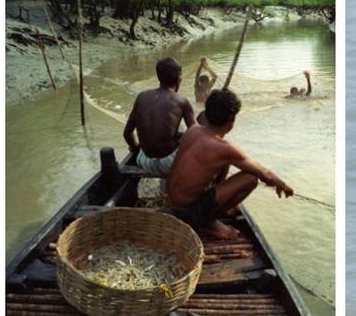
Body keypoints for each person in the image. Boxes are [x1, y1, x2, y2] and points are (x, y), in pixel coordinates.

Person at [168, 89, 294, 238]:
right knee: (250, 178)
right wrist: (283, 186)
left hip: (173, 203)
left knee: (225, 164)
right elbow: (264, 173)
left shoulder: (192, 130)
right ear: (231, 122)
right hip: (189, 213)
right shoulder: (224, 148)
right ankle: (207, 223)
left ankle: (209, 215)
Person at [123, 57, 196, 177]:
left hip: (144, 161)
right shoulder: (182, 101)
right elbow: (196, 136)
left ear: (158, 77)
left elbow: (127, 133)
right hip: (169, 164)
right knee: (183, 127)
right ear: (179, 79)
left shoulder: (142, 96)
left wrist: (136, 149)